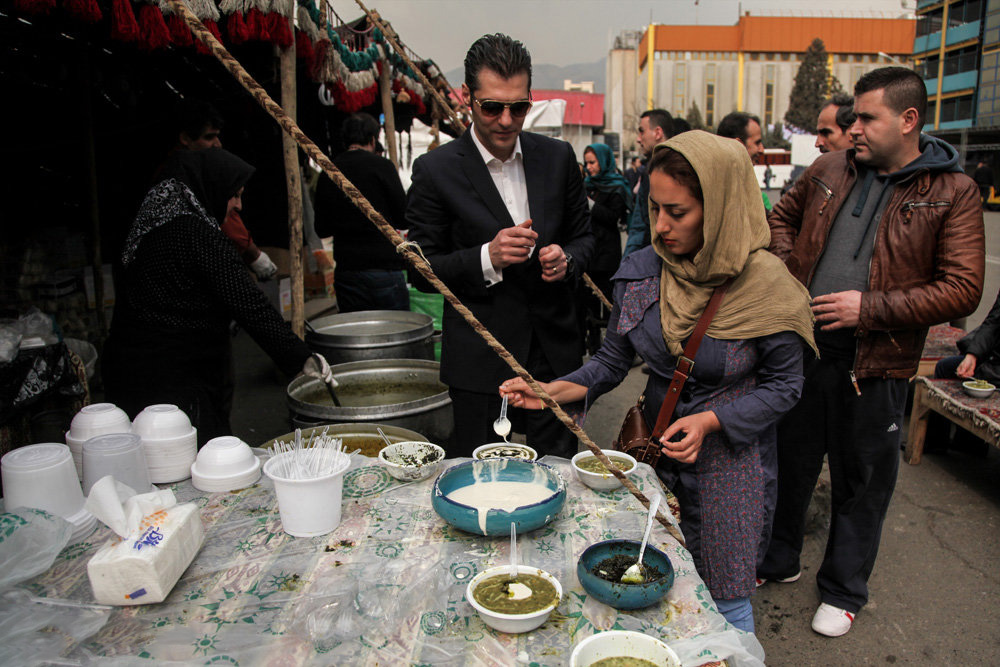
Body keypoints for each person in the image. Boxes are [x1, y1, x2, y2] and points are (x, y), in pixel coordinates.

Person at [501, 131, 816, 633]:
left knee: (726, 601)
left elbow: (785, 386)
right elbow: (609, 362)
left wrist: (712, 421)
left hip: (731, 469)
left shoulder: (768, 286)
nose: (661, 226)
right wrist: (547, 390)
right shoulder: (642, 271)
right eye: (654, 208)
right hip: (651, 459)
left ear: (720, 209)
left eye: (679, 212)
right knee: (640, 586)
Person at [759, 67, 985, 637]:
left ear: (908, 120)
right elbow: (778, 220)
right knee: (790, 460)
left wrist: (872, 308)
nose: (852, 127)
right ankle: (778, 559)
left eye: (866, 118)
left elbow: (963, 287)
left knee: (862, 479)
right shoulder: (830, 167)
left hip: (876, 365)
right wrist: (793, 275)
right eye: (853, 117)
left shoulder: (952, 192)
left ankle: (843, 589)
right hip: (804, 348)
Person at [405, 33, 594, 458]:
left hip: (555, 350)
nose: (506, 120)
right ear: (468, 99)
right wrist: (485, 259)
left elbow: (585, 239)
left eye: (518, 107)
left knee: (559, 474)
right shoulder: (436, 170)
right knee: (481, 478)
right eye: (492, 107)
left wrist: (566, 260)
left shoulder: (558, 156)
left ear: (529, 99)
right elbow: (418, 267)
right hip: (480, 353)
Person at [103, 148, 313, 444]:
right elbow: (249, 304)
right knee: (197, 457)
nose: (238, 205)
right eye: (234, 195)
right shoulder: (197, 234)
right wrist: (301, 358)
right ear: (211, 187)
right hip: (177, 379)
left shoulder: (149, 222)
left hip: (130, 374)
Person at [170, 99, 277, 280]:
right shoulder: (181, 179)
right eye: (209, 137)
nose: (217, 144)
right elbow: (226, 221)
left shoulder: (189, 171)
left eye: (217, 136)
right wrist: (254, 254)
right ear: (185, 139)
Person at [314, 113, 409, 312]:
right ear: (373, 139)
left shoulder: (329, 172)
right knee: (396, 335)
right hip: (383, 268)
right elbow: (403, 218)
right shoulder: (382, 166)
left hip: (347, 271)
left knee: (357, 337)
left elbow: (321, 229)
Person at [580, 142, 632, 353]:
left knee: (608, 300)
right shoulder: (587, 185)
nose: (589, 167)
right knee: (589, 301)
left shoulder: (617, 186)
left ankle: (613, 347)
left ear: (603, 161)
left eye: (593, 162)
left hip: (607, 251)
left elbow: (613, 217)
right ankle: (593, 343)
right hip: (589, 250)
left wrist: (591, 205)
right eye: (587, 163)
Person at [623, 109, 673, 257]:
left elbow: (639, 227)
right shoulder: (648, 172)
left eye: (642, 131)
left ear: (658, 133)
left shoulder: (682, 170)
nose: (638, 139)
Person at [716, 111, 770, 210]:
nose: (762, 150)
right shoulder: (715, 191)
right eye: (757, 143)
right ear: (738, 145)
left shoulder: (750, 191)